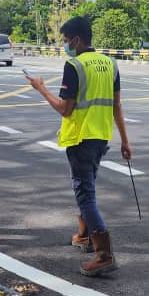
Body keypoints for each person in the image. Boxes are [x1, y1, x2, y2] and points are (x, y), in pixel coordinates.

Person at [25, 16, 132, 276]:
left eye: (65, 40)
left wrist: (40, 89)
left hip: (80, 138)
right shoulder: (110, 63)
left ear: (76, 40)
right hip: (101, 137)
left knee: (85, 194)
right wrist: (125, 141)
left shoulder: (74, 65)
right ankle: (84, 237)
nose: (65, 45)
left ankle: (104, 254)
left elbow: (65, 108)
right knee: (88, 187)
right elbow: (117, 105)